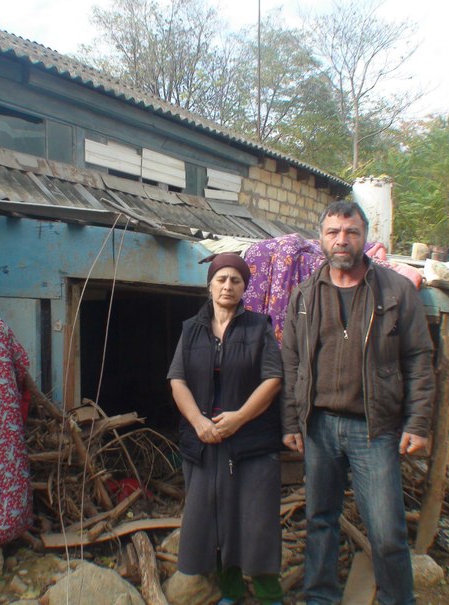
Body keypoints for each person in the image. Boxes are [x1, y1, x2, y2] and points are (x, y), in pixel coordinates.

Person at [281, 201, 435, 605]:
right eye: (333, 232)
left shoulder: (396, 290)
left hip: (375, 428)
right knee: (320, 523)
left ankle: (396, 600)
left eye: (350, 232)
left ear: (365, 237)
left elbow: (419, 357)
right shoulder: (302, 295)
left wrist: (418, 423)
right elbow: (291, 362)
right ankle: (321, 598)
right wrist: (290, 423)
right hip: (318, 427)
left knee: (386, 531)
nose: (341, 240)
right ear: (321, 239)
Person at [168, 252, 284, 605]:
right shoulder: (191, 329)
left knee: (258, 517)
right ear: (210, 285)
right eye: (221, 279)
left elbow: (273, 380)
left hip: (249, 438)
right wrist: (199, 422)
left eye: (236, 280)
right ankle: (230, 589)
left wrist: (239, 418)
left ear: (245, 287)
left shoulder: (258, 326)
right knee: (214, 515)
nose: (228, 286)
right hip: (205, 439)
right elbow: (177, 380)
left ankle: (268, 593)